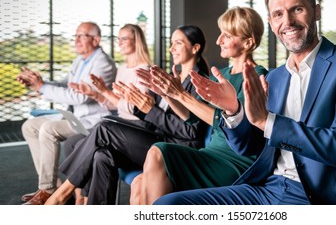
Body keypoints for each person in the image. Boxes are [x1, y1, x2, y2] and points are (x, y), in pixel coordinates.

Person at [153, 0, 336, 205]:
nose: (288, 21)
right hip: (267, 188)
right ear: (271, 23)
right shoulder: (275, 77)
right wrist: (234, 111)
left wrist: (267, 122)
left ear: (316, 12)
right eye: (278, 14)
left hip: (317, 196)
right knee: (167, 205)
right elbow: (249, 146)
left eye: (297, 9)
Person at [44, 25, 210, 205]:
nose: (172, 49)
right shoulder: (169, 77)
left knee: (104, 127)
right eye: (171, 43)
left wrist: (149, 110)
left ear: (195, 48)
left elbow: (192, 132)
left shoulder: (200, 83)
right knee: (102, 154)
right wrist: (138, 105)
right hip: (157, 137)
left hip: (174, 148)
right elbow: (153, 114)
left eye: (178, 43)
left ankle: (60, 195)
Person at [130, 6, 268, 205]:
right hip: (211, 153)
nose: (218, 40)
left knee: (157, 151)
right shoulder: (221, 74)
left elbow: (230, 122)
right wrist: (168, 95)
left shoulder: (258, 77)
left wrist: (181, 95)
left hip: (236, 161)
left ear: (248, 42)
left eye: (227, 36)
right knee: (138, 182)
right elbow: (191, 118)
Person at [17, 21, 117, 205]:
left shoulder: (103, 64)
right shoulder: (80, 60)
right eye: (76, 35)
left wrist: (43, 87)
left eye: (82, 36)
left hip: (94, 122)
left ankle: (47, 190)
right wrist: (38, 83)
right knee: (29, 126)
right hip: (76, 117)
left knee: (48, 129)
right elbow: (65, 84)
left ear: (95, 40)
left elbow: (79, 97)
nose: (76, 40)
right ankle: (52, 187)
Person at [62, 23, 152, 204]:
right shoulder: (123, 69)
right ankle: (82, 198)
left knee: (101, 130)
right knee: (74, 142)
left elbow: (139, 109)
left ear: (137, 41)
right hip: (122, 124)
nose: (120, 42)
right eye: (118, 38)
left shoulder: (146, 70)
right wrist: (96, 93)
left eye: (124, 38)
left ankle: (66, 193)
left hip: (139, 128)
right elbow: (115, 106)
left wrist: (105, 92)